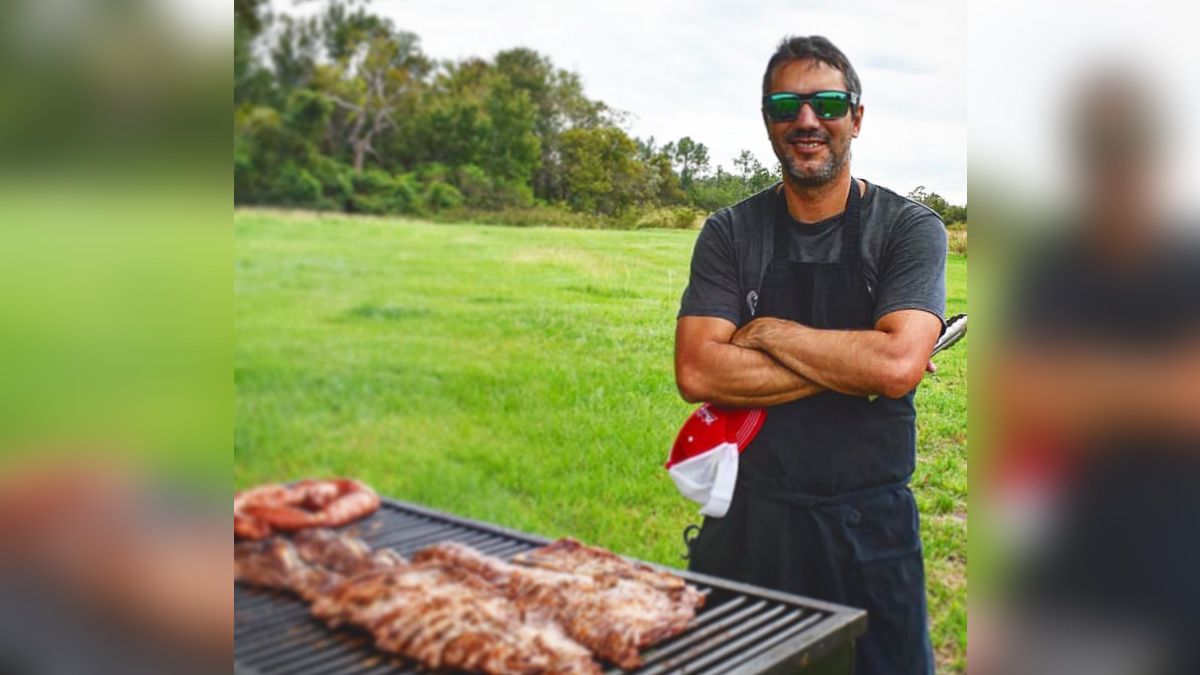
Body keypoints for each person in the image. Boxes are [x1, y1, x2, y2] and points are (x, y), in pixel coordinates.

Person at [673, 35, 947, 675]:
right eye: (785, 105)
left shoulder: (907, 228)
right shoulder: (730, 232)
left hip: (869, 532)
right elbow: (698, 371)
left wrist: (764, 331)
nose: (806, 120)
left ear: (856, 116)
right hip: (749, 521)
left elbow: (895, 365)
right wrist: (860, 365)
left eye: (827, 102)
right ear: (767, 121)